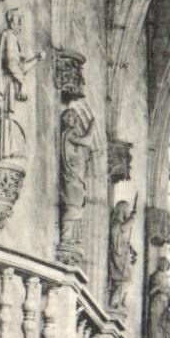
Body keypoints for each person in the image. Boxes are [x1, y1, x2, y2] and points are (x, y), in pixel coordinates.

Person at [0, 6, 45, 161]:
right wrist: (22, 83)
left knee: (14, 117)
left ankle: (11, 150)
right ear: (11, 22)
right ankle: (8, 151)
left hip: (13, 85)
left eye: (21, 21)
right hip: (10, 86)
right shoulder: (9, 36)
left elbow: (20, 67)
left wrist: (36, 59)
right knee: (10, 116)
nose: (21, 24)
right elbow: (11, 64)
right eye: (18, 21)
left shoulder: (13, 39)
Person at [59, 99, 96, 251]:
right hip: (72, 178)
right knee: (73, 207)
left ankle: (72, 239)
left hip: (76, 178)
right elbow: (87, 141)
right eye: (71, 118)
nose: (74, 120)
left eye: (74, 117)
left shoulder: (68, 134)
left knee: (77, 207)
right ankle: (67, 238)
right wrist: (92, 125)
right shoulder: (69, 133)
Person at [108, 196, 138, 311]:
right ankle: (115, 303)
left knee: (127, 280)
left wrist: (132, 250)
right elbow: (121, 230)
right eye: (127, 210)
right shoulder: (116, 223)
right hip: (118, 256)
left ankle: (121, 304)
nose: (128, 213)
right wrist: (132, 219)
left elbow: (124, 239)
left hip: (123, 255)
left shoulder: (120, 223)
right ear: (122, 210)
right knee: (126, 280)